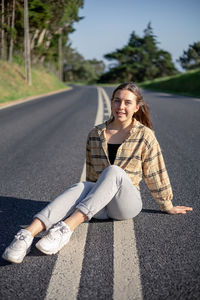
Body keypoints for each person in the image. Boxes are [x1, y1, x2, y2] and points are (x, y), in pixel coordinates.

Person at [2, 82, 193, 264]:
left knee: (114, 171)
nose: (121, 106)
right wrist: (86, 196)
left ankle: (65, 229)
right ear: (112, 102)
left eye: (127, 102)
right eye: (117, 100)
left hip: (125, 204)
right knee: (82, 185)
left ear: (137, 107)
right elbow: (92, 174)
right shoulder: (96, 133)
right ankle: (26, 235)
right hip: (99, 207)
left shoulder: (145, 135)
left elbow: (155, 170)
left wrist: (166, 204)